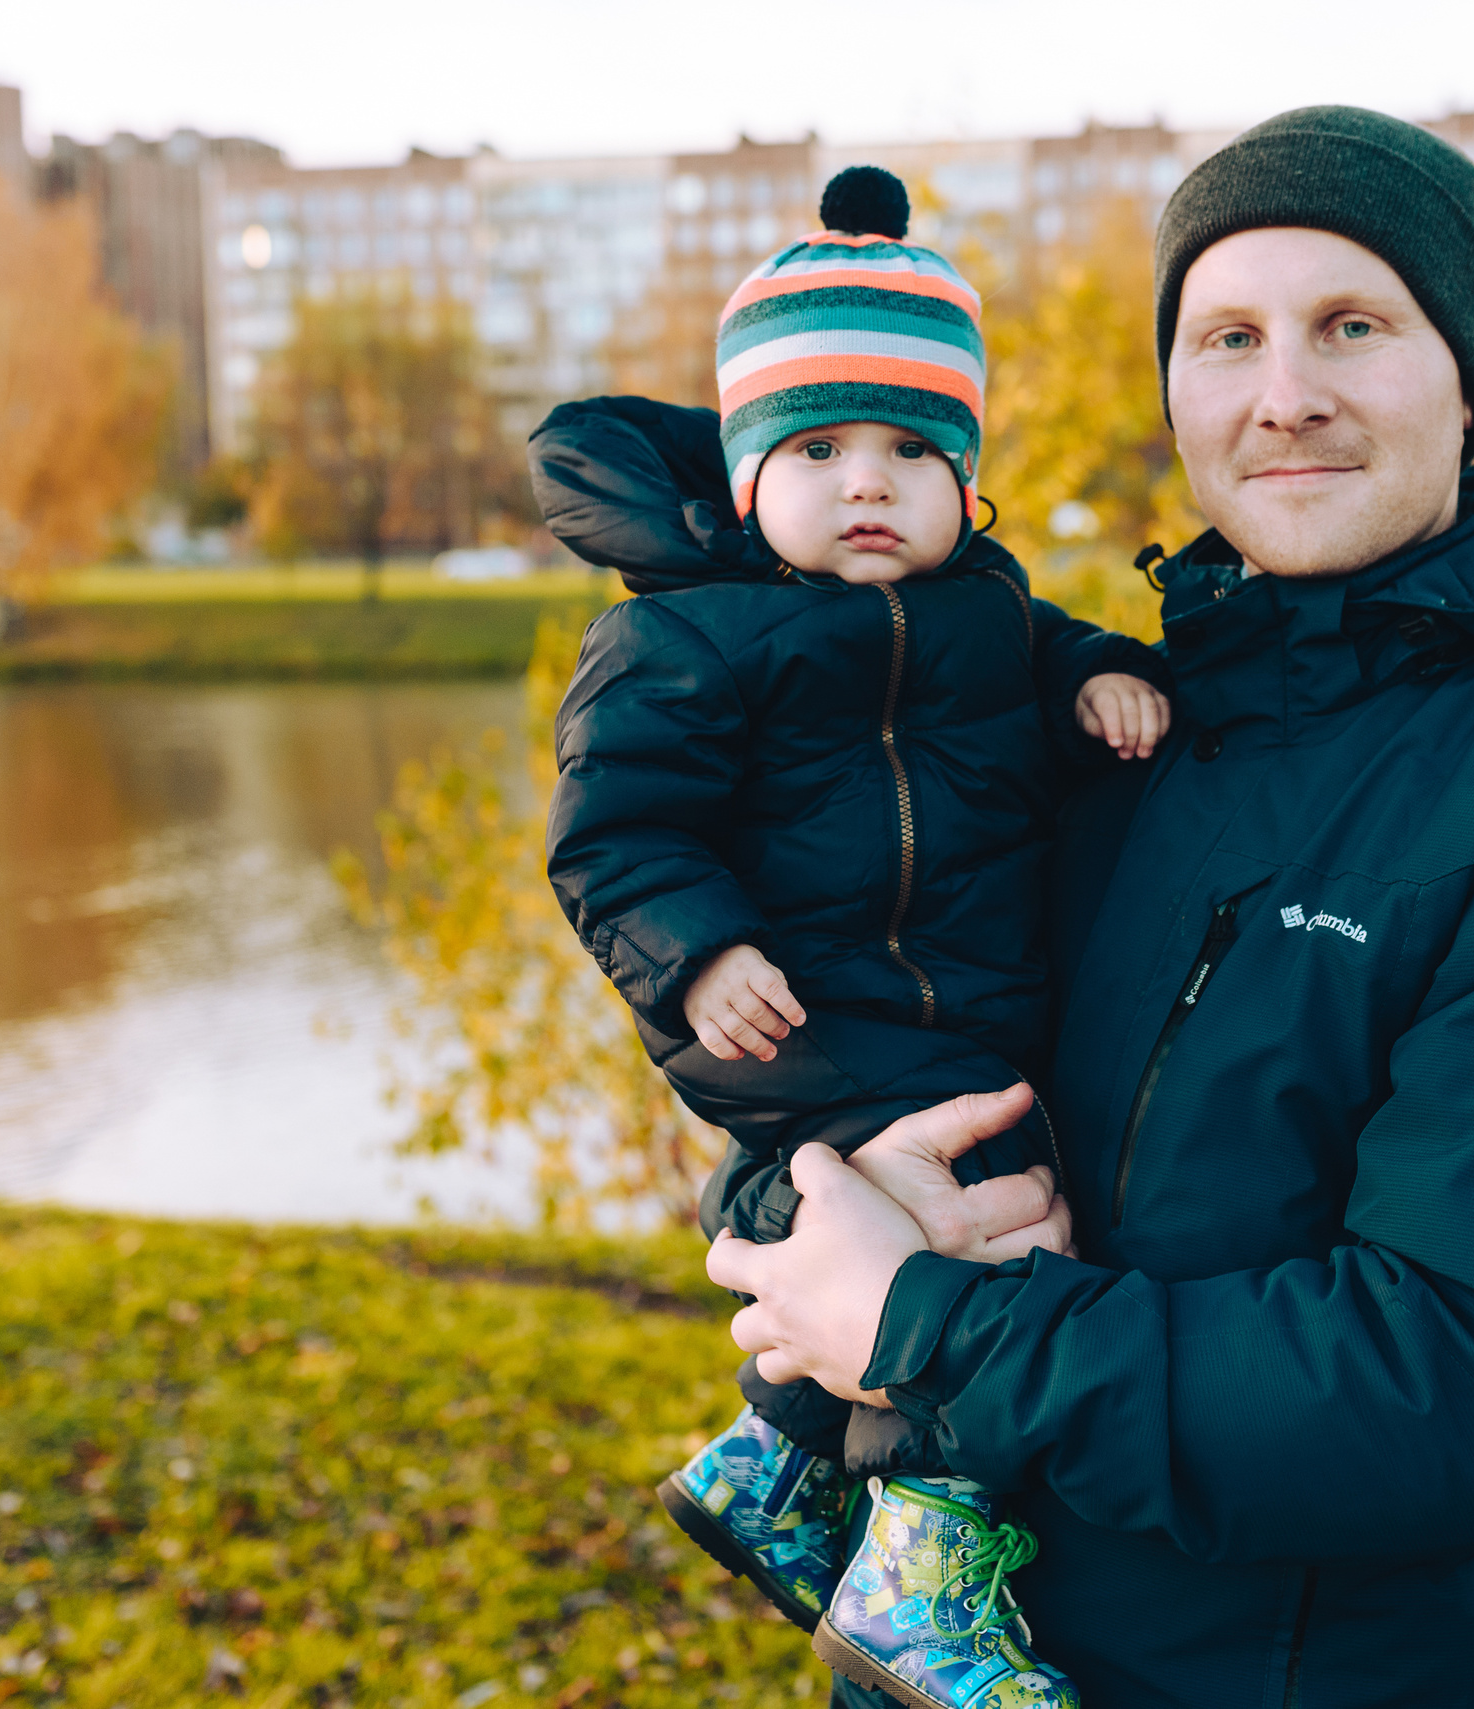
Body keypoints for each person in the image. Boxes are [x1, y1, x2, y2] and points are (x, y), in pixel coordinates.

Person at [710, 106, 1474, 1707]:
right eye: (1227, 336)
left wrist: (925, 1329)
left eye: (1354, 325)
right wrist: (833, 1193)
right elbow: (869, 1016)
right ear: (1178, 387)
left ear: (1466, 376)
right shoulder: (1114, 729)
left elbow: (1450, 1389)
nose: (1286, 395)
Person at [535, 167, 1170, 1709]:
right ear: (751, 478)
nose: (868, 482)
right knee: (997, 1242)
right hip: (794, 1019)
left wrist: (1098, 678)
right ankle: (914, 1586)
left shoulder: (988, 611)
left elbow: (1047, 650)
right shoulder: (687, 632)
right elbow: (615, 827)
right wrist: (698, 948)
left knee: (972, 1206)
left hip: (946, 1018)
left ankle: (772, 1461)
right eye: (818, 448)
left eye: (912, 449)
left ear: (970, 481)